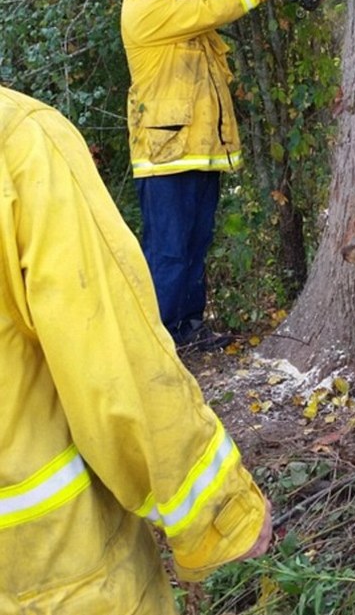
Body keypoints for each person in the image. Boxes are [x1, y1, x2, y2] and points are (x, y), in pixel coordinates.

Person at [0, 84, 272, 614]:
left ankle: (190, 323)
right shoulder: (19, 143)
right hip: (58, 578)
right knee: (172, 259)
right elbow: (111, 358)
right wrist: (218, 512)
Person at [121, 0, 300, 352]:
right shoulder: (145, 9)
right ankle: (160, 340)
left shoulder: (177, 0)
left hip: (196, 151)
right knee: (169, 252)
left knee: (194, 246)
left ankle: (188, 327)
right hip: (165, 157)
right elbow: (216, 8)